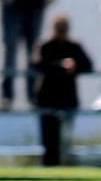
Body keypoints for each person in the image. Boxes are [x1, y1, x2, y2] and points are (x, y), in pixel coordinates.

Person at [33, 14, 93, 166]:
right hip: (47, 98)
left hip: (67, 98)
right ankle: (49, 165)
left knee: (65, 139)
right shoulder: (45, 46)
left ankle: (65, 164)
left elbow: (88, 65)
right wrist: (60, 65)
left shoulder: (74, 47)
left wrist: (75, 65)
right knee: (48, 137)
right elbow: (37, 64)